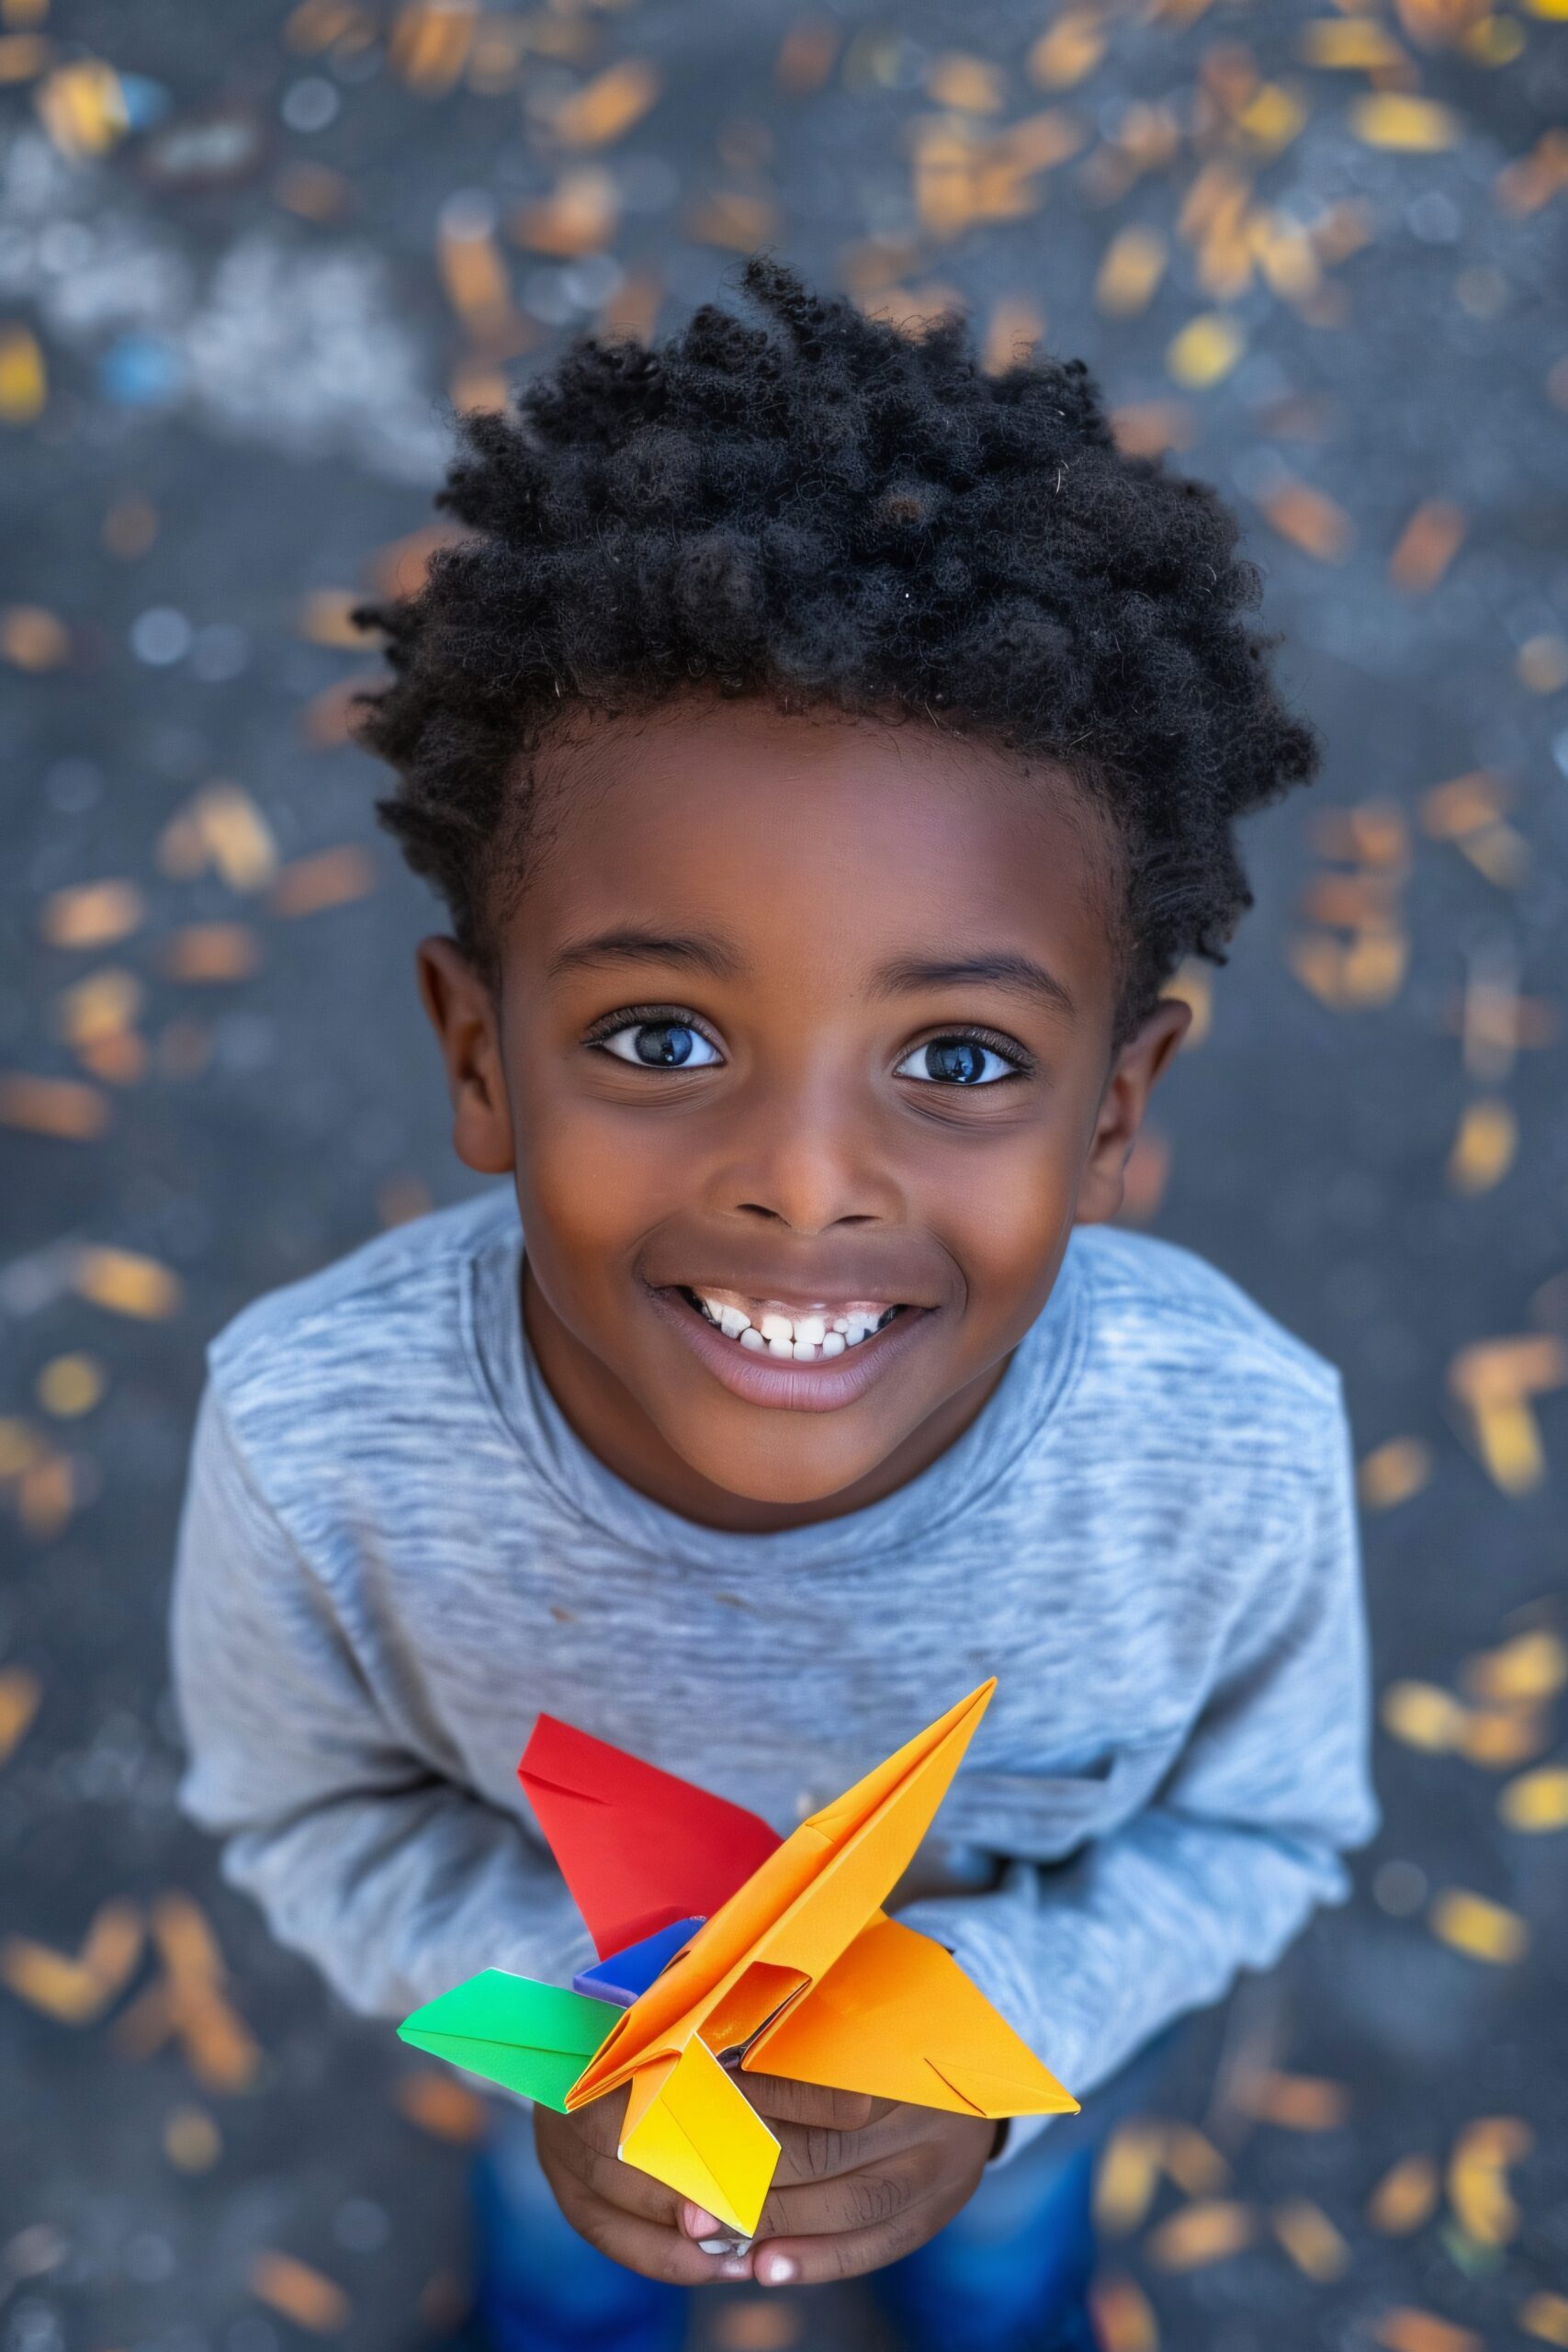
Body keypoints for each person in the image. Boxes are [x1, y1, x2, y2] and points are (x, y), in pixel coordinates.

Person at [170, 256, 1377, 2352]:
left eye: (965, 1059)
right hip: (582, 2115)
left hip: (1005, 2109)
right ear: (477, 1054)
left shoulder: (1226, 1449)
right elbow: (303, 1804)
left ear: (1116, 1109)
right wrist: (571, 2041)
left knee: (999, 2281)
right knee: (563, 2297)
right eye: (655, 1036)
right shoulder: (317, 1440)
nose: (806, 1178)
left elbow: (1269, 1819)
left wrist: (983, 2061)